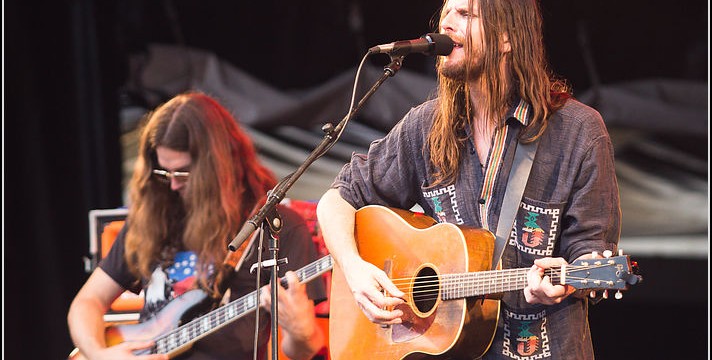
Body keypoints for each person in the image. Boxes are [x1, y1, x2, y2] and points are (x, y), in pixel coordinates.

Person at [316, 0, 620, 359]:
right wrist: (355, 271)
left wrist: (566, 282)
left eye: (465, 14)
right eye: (446, 12)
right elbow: (337, 198)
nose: (447, 23)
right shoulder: (427, 126)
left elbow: (592, 254)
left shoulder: (579, 132)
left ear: (507, 38)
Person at [68, 92, 326, 360]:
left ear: (219, 165)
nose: (173, 184)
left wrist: (302, 332)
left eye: (182, 173)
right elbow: (87, 302)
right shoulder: (152, 217)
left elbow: (303, 352)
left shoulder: (276, 227)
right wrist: (100, 354)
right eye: (163, 172)